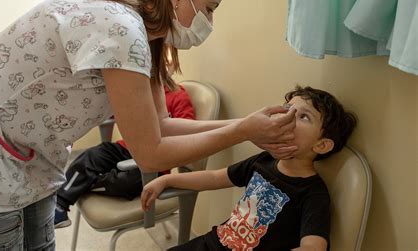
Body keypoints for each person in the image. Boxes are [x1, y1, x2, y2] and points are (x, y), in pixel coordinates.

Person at [0, 0, 297, 250]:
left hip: (29, 144)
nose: (209, 21)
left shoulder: (144, 34)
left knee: (40, 242)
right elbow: (149, 151)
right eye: (210, 8)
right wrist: (245, 131)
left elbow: (161, 124)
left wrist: (246, 123)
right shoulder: (122, 31)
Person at [141, 86, 357, 251]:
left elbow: (313, 246)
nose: (288, 117)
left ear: (321, 145)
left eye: (303, 116)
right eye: (288, 109)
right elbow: (215, 178)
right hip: (215, 243)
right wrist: (167, 180)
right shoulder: (262, 161)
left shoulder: (313, 193)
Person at [54, 81, 195, 228]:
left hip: (155, 165)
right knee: (91, 156)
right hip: (126, 148)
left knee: (128, 182)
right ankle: (60, 205)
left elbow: (187, 133)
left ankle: (85, 183)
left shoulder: (178, 96)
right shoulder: (138, 92)